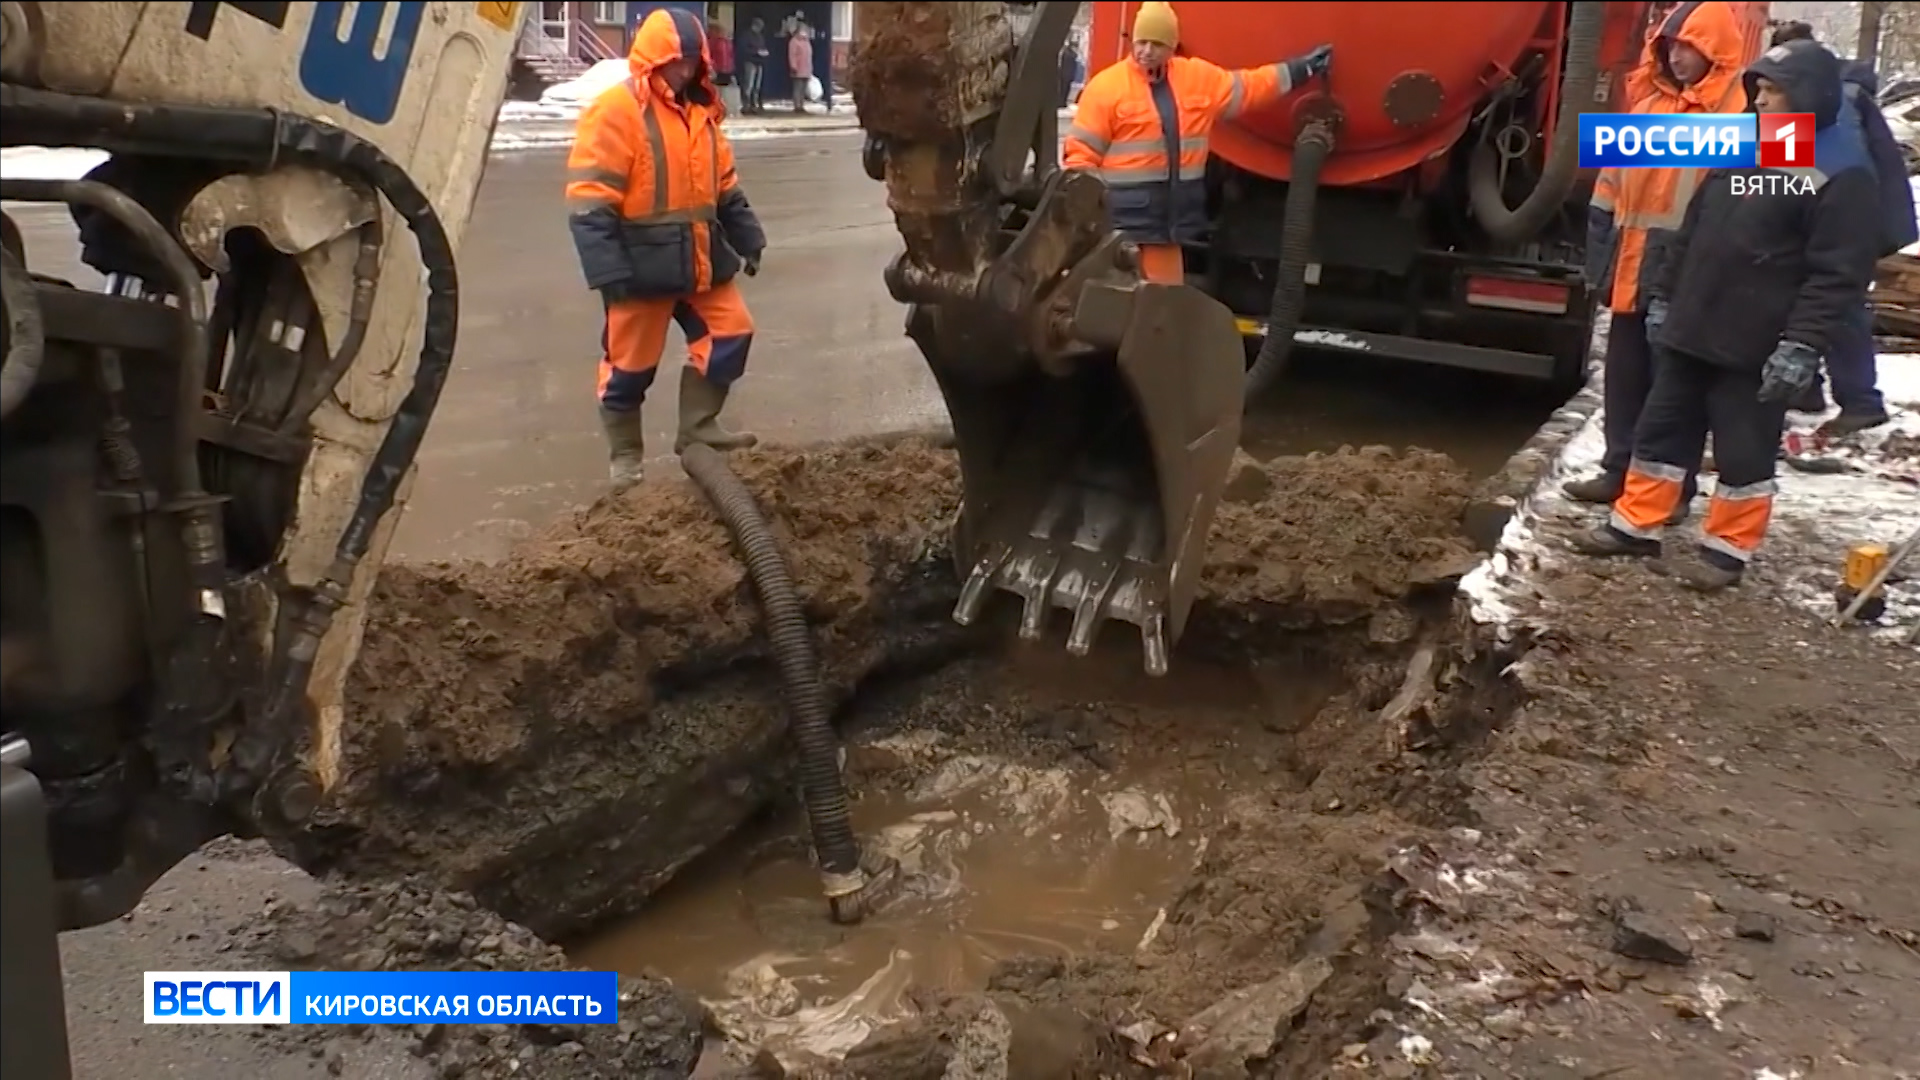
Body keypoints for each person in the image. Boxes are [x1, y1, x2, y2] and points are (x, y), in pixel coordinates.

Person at [1571, 39, 1881, 590]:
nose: (1761, 101)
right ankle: (1635, 526)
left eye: (1774, 91)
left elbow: (1836, 274)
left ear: (1808, 95)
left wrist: (1802, 344)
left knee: (1743, 449)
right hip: (1695, 324)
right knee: (1660, 434)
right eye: (1758, 89)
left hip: (1755, 340)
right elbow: (1699, 228)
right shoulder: (1762, 149)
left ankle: (1725, 552)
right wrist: (1666, 294)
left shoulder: (1840, 172)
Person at [565, 7, 768, 490]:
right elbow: (590, 200)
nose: (685, 70)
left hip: (701, 260)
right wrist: (607, 270)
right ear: (653, 59)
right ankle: (626, 460)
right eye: (677, 61)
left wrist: (749, 238)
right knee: (627, 370)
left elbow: (726, 190)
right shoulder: (616, 111)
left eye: (693, 62)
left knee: (732, 334)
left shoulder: (703, 112)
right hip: (639, 269)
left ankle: (698, 430)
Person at [1563, 1, 1750, 512]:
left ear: (1715, 49)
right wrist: (1599, 265)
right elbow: (1608, 191)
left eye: (1690, 47)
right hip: (1632, 271)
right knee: (1625, 383)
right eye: (1671, 47)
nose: (1679, 57)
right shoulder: (1646, 107)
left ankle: (1672, 492)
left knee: (1675, 396)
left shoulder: (1740, 114)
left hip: (1687, 280)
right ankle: (1619, 471)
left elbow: (1758, 203)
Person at [1064, 1, 1332, 285]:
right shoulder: (1106, 89)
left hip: (1166, 233)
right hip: (1118, 230)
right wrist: (1083, 217)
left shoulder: (1197, 80)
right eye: (1142, 42)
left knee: (1163, 312)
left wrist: (1298, 70)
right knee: (1112, 307)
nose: (1146, 51)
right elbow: (1080, 157)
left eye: (1157, 43)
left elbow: (1250, 86)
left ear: (1172, 46)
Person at [1766, 19, 1914, 432]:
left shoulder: (1835, 103)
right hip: (1852, 219)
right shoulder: (1843, 97)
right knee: (1809, 299)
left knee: (1839, 306)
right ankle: (1808, 391)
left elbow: (1796, 174)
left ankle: (1861, 401)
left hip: (1847, 222)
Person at [739, 17, 769, 114]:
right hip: (750, 62)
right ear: (754, 25)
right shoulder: (747, 35)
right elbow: (743, 49)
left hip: (759, 62)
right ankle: (745, 106)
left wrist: (764, 52)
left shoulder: (760, 36)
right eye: (759, 26)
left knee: (757, 86)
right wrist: (756, 52)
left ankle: (754, 105)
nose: (760, 28)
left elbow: (762, 46)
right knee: (748, 85)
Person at [707, 18, 736, 112]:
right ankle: (717, 109)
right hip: (717, 69)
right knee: (716, 90)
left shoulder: (725, 41)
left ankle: (722, 109)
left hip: (726, 69)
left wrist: (731, 67)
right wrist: (711, 66)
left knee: (723, 91)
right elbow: (709, 54)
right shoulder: (712, 41)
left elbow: (730, 55)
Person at [788, 19, 814, 114]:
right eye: (803, 28)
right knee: (797, 88)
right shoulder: (794, 41)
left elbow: (809, 56)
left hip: (806, 69)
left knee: (803, 89)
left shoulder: (806, 41)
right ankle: (797, 106)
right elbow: (792, 55)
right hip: (798, 69)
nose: (805, 30)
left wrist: (810, 68)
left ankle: (801, 105)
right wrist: (793, 66)